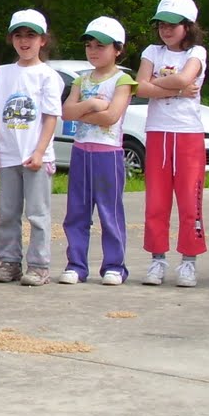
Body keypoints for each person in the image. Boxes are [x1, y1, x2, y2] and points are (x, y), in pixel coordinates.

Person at [136, 0, 208, 288]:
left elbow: (183, 78)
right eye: (161, 25)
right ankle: (157, 260)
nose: (165, 30)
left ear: (187, 26)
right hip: (158, 132)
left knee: (190, 200)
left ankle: (189, 261)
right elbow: (140, 88)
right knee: (156, 200)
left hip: (188, 133)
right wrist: (176, 91)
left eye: (172, 25)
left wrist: (158, 84)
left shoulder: (197, 52)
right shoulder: (152, 51)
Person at [0, 9, 62, 286]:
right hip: (8, 155)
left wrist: (40, 152)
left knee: (37, 213)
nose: (24, 41)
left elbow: (51, 117)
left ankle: (39, 265)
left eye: (31, 35)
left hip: (36, 156)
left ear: (43, 40)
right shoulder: (3, 73)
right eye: (18, 35)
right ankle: (9, 261)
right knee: (7, 213)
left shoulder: (47, 76)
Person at [59, 16, 137, 285]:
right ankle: (76, 264)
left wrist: (82, 112)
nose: (93, 50)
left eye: (100, 46)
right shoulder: (81, 80)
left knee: (109, 211)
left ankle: (115, 266)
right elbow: (66, 112)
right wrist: (92, 105)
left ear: (117, 49)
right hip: (80, 151)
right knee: (76, 211)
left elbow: (112, 117)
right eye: (89, 45)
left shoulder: (123, 80)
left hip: (108, 153)